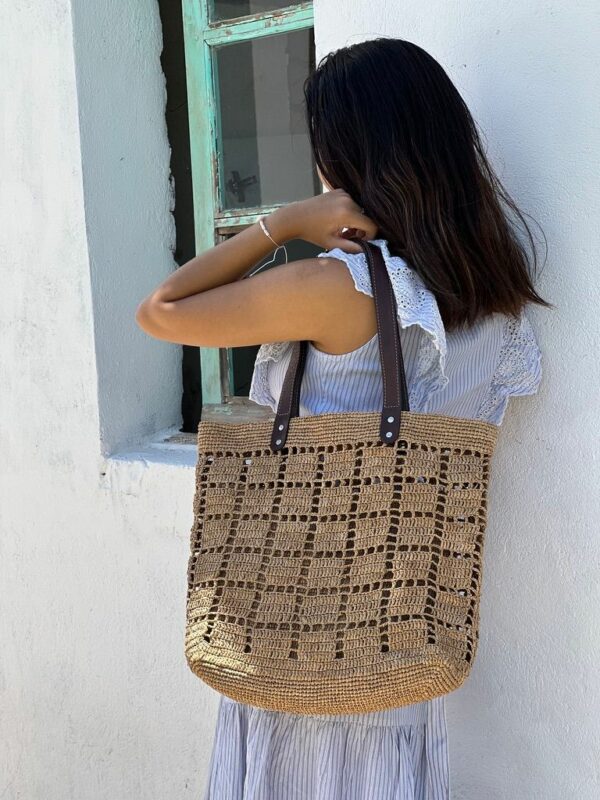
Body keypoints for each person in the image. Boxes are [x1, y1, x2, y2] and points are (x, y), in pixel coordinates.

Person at [136, 37, 551, 800]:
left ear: (348, 156)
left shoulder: (336, 287)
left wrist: (288, 220)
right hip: (399, 642)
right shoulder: (493, 289)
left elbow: (160, 312)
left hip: (297, 626)